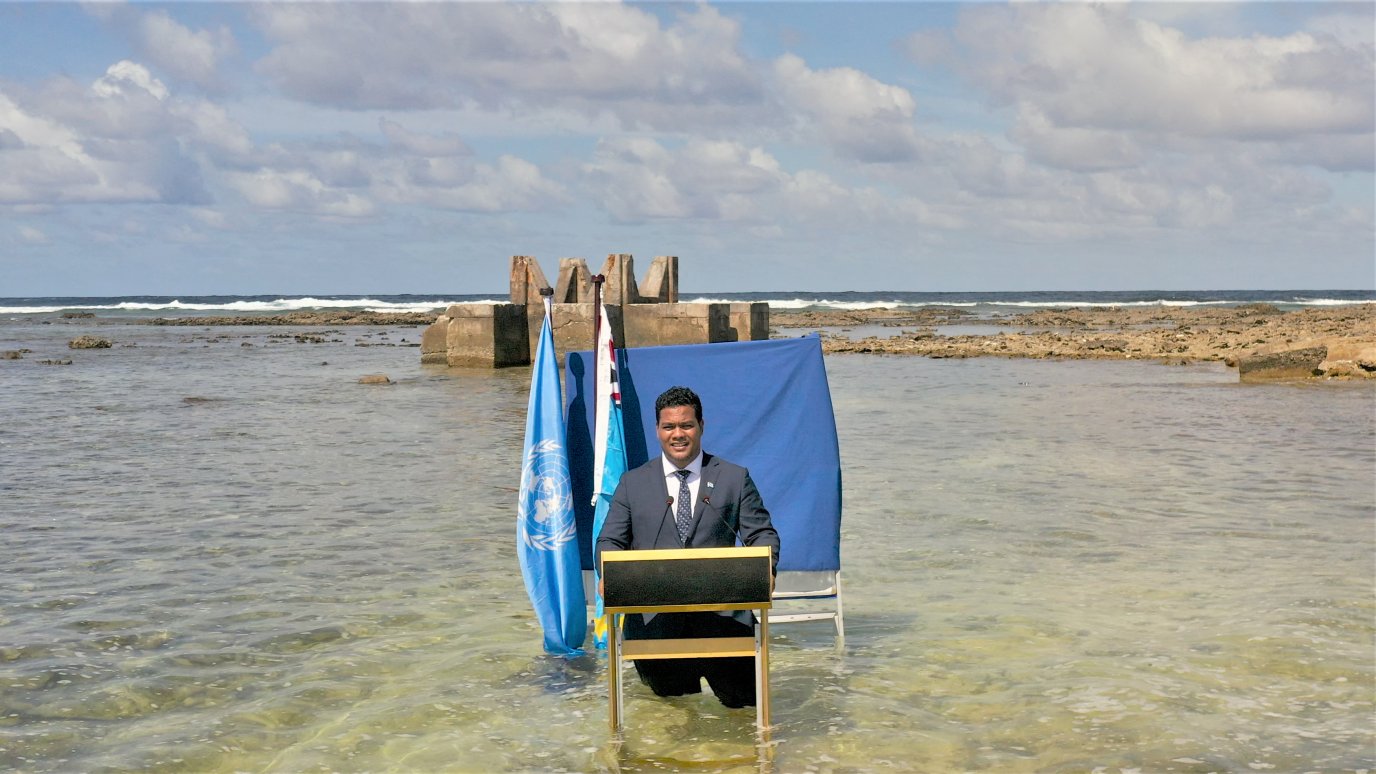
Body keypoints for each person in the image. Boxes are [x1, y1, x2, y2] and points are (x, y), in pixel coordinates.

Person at [596, 385, 780, 708]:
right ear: (657, 430)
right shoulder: (632, 484)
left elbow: (763, 536)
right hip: (656, 629)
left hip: (725, 626)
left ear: (701, 426)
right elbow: (609, 541)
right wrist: (607, 573)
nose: (677, 434)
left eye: (686, 425)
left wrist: (767, 571)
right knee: (672, 726)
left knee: (745, 721)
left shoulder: (734, 479)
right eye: (669, 427)